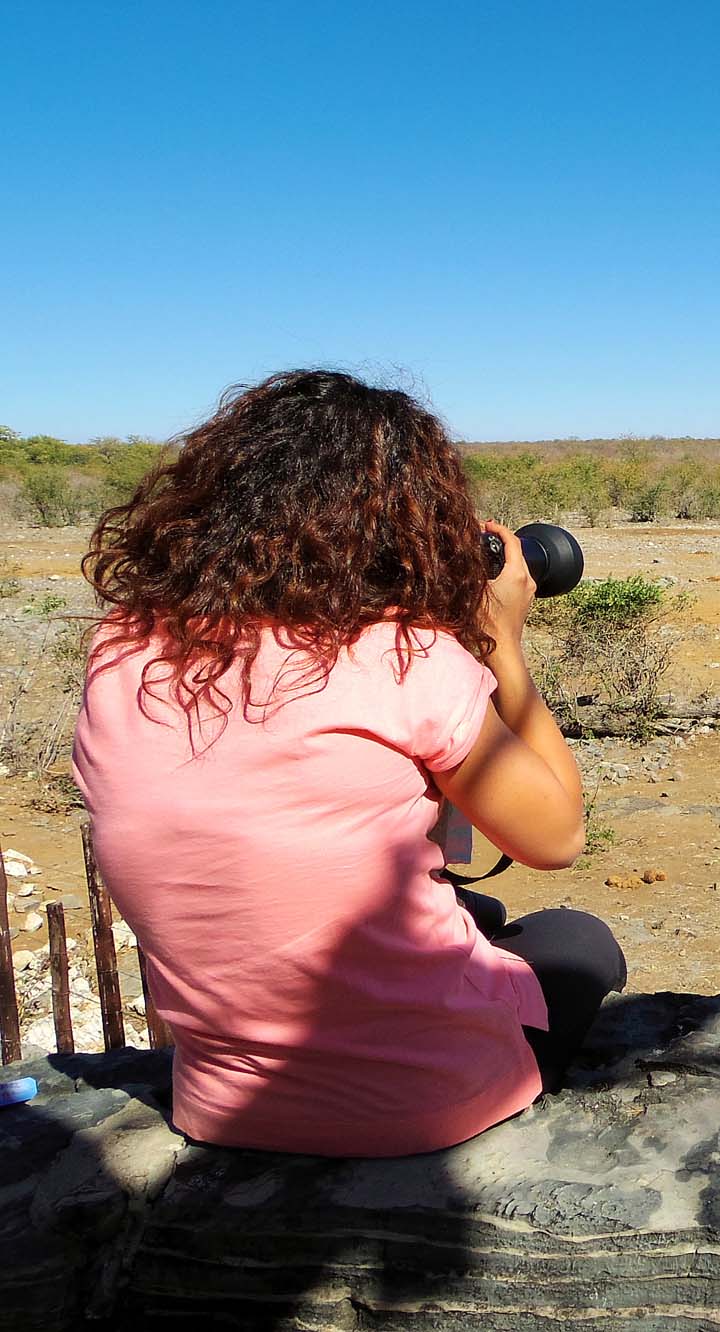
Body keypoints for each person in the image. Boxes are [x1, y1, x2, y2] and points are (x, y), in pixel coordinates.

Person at [71, 369, 625, 1157]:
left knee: (474, 913)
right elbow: (558, 836)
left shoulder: (124, 651)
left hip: (219, 1106)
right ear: (410, 526)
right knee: (576, 937)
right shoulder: (407, 660)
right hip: (426, 1107)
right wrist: (501, 641)